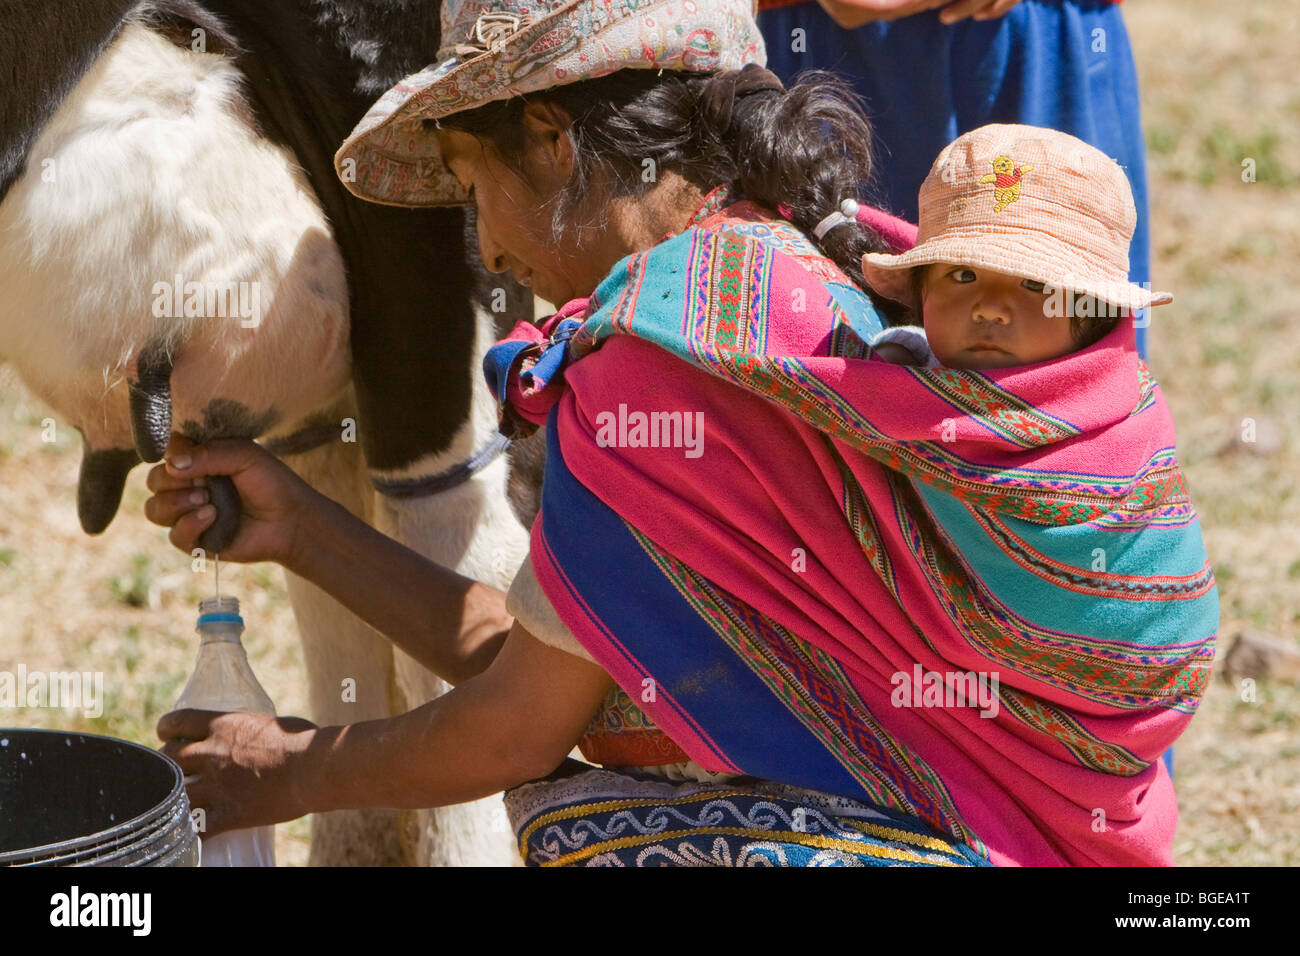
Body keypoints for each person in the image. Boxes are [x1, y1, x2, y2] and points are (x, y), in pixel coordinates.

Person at [148, 0, 1214, 866]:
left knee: (600, 830)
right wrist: (307, 533)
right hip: (1030, 834)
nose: (487, 249)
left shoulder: (655, 350)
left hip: (937, 846)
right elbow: (584, 665)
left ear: (554, 143)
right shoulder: (775, 267)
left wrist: (287, 767)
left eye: (477, 191)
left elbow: (518, 725)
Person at [756, 0, 1154, 357]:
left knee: (1075, 301)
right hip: (827, 39)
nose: (991, 309)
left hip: (1035, 34)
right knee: (831, 323)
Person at [862, 124, 1163, 371]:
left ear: (1093, 313)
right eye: (964, 275)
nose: (990, 310)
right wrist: (895, 356)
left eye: (1034, 284)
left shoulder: (1115, 426)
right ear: (921, 290)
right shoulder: (892, 375)